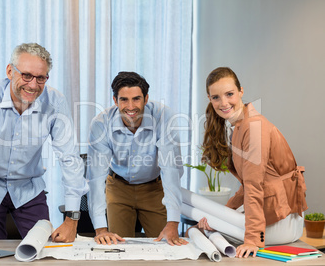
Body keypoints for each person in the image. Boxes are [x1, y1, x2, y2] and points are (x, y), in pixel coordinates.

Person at [0, 43, 89, 242]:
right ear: (10, 71)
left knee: (44, 251)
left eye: (40, 78)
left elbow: (70, 159)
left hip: (29, 190)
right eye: (26, 75)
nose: (33, 85)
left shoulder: (55, 103)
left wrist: (72, 219)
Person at [187, 67, 307, 258]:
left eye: (229, 94)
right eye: (216, 97)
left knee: (187, 202)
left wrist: (252, 239)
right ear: (209, 99)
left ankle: (207, 227)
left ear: (241, 91)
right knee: (192, 206)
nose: (223, 103)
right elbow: (247, 186)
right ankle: (207, 224)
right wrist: (223, 213)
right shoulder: (240, 126)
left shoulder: (253, 127)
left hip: (281, 223)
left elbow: (253, 186)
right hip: (274, 216)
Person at [87, 71, 188, 246]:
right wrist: (101, 229)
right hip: (118, 188)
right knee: (118, 247)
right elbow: (96, 177)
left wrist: (173, 222)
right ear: (115, 100)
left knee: (166, 245)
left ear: (146, 98)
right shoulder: (101, 123)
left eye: (136, 99)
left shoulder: (163, 116)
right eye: (124, 99)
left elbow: (170, 169)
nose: (130, 106)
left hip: (154, 189)